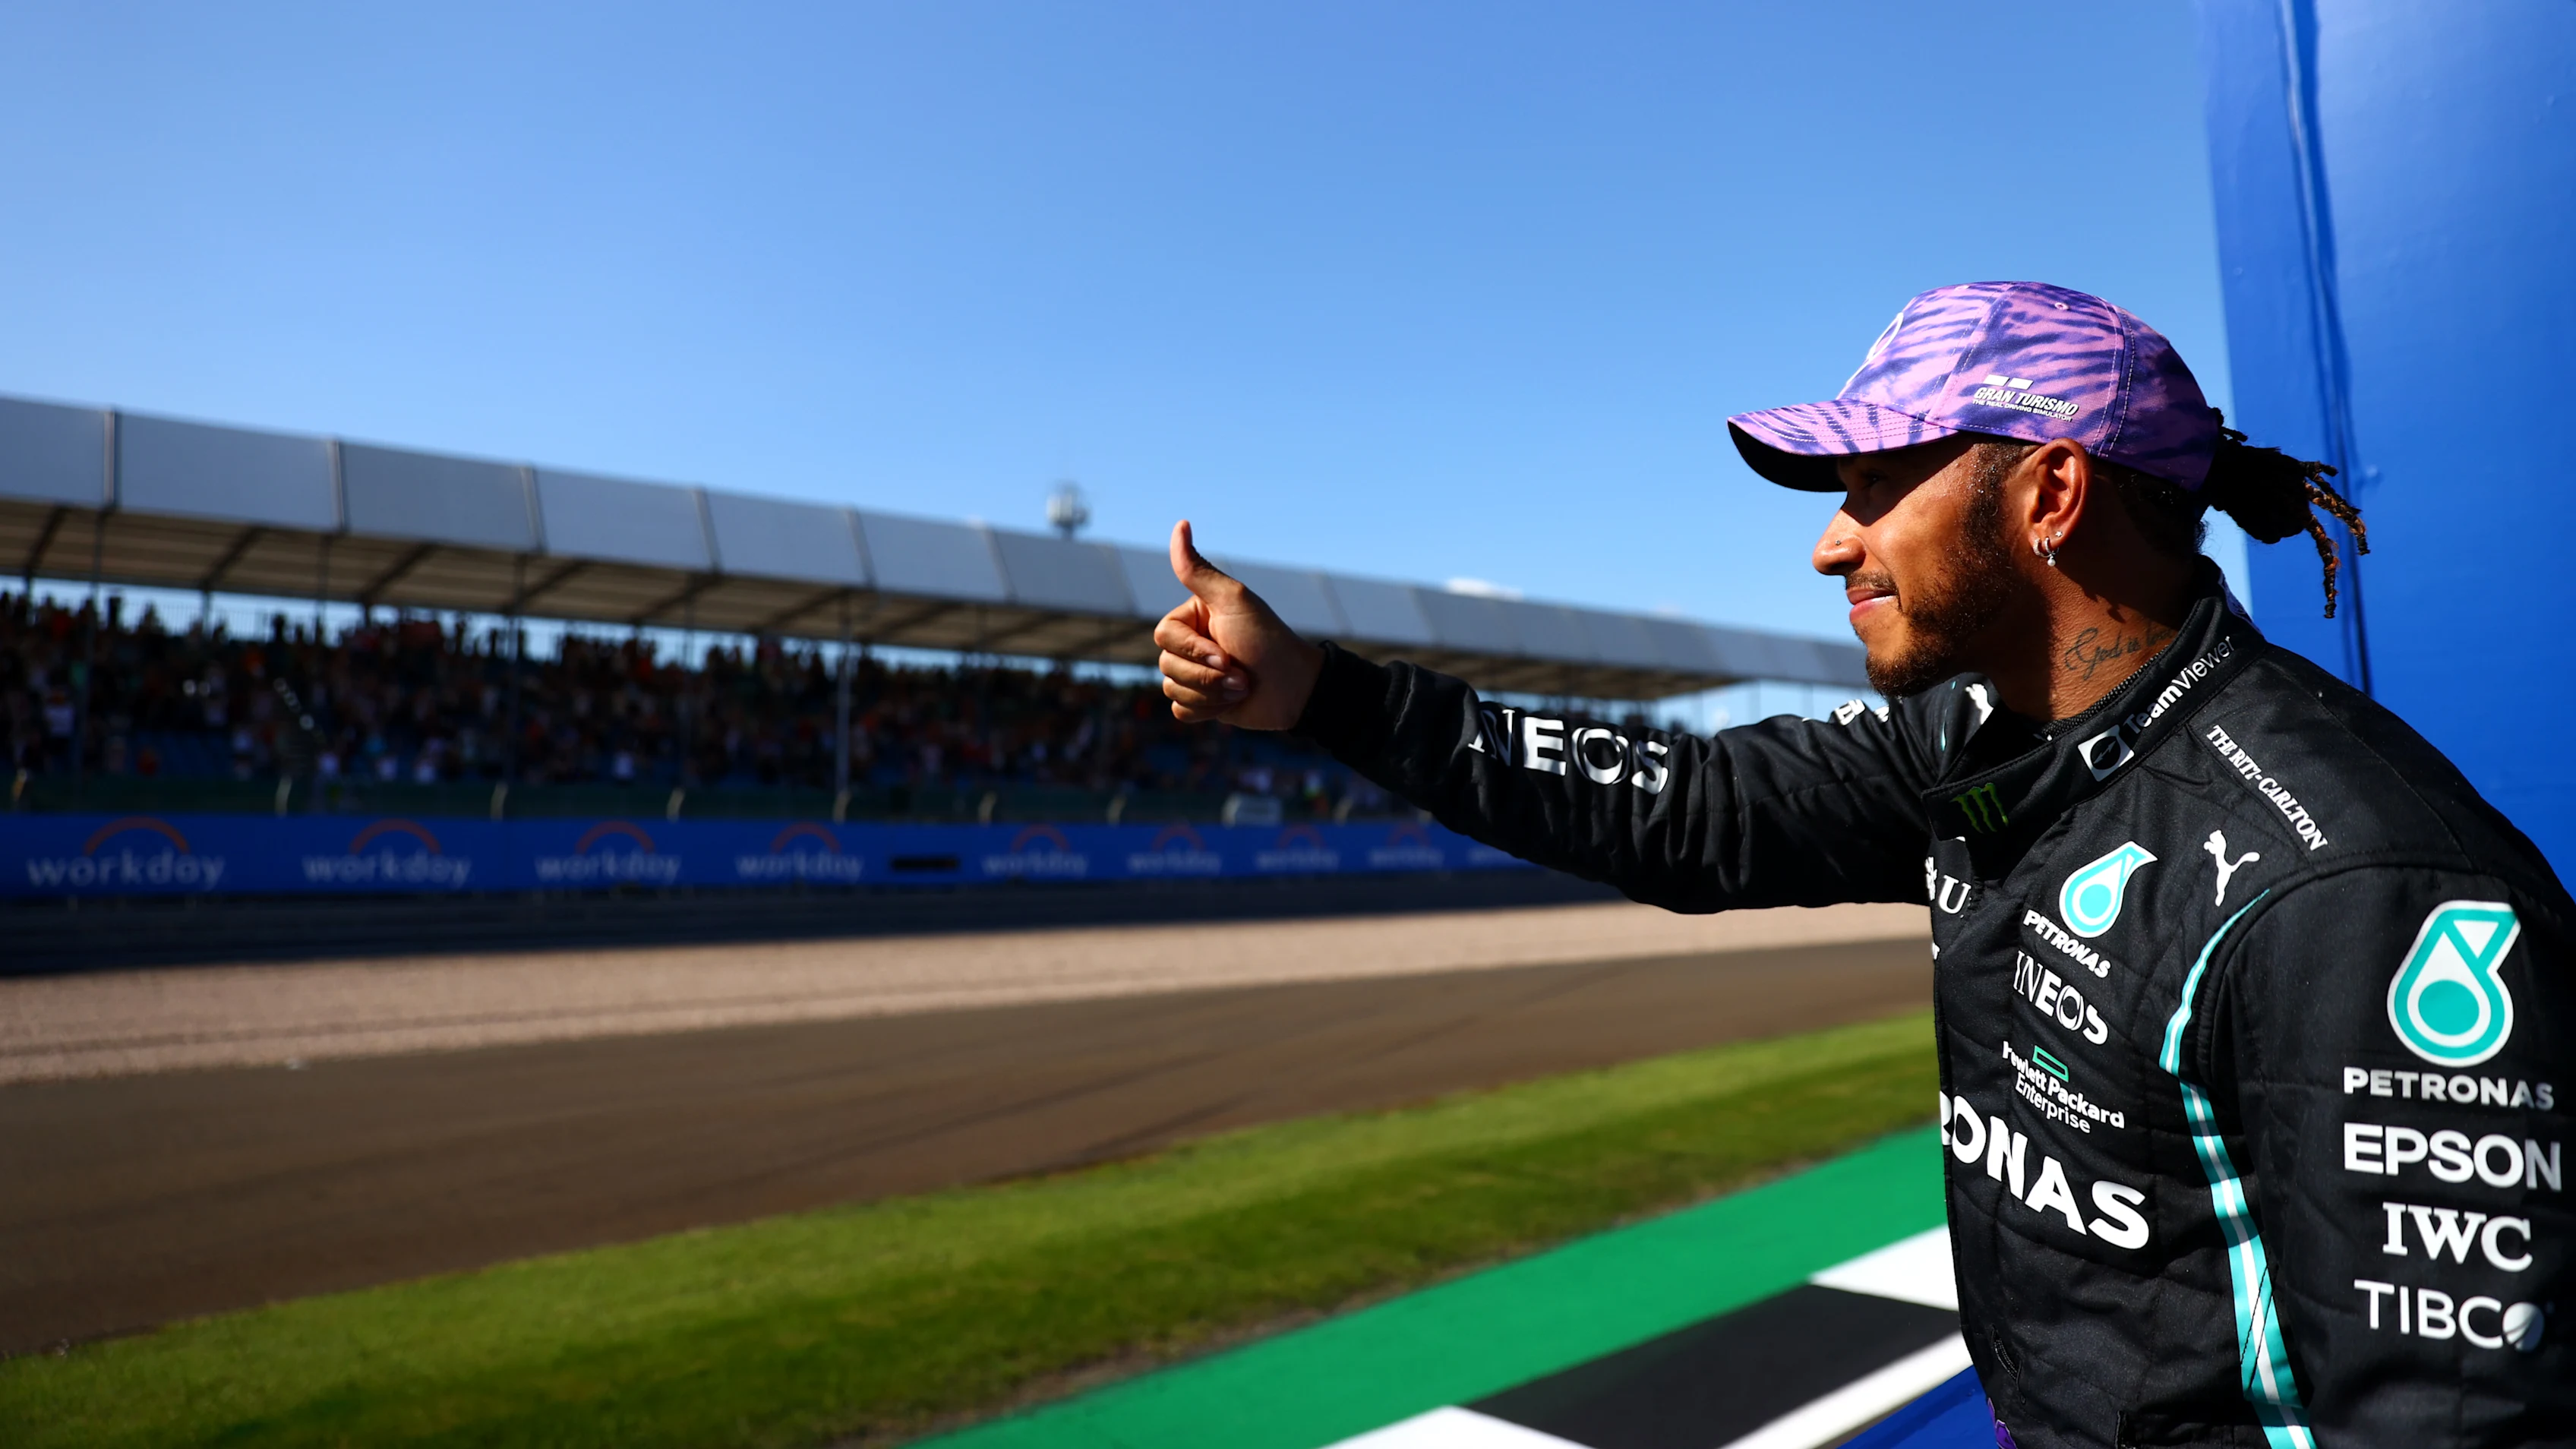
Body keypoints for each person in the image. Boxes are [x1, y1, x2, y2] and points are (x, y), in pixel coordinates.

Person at [1153, 281, 2571, 1448]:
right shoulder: (1971, 741)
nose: (1835, 539)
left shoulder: (2356, 886)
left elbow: (2461, 1424)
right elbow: (1692, 807)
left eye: (1880, 482)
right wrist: (1323, 695)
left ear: (2052, 494)